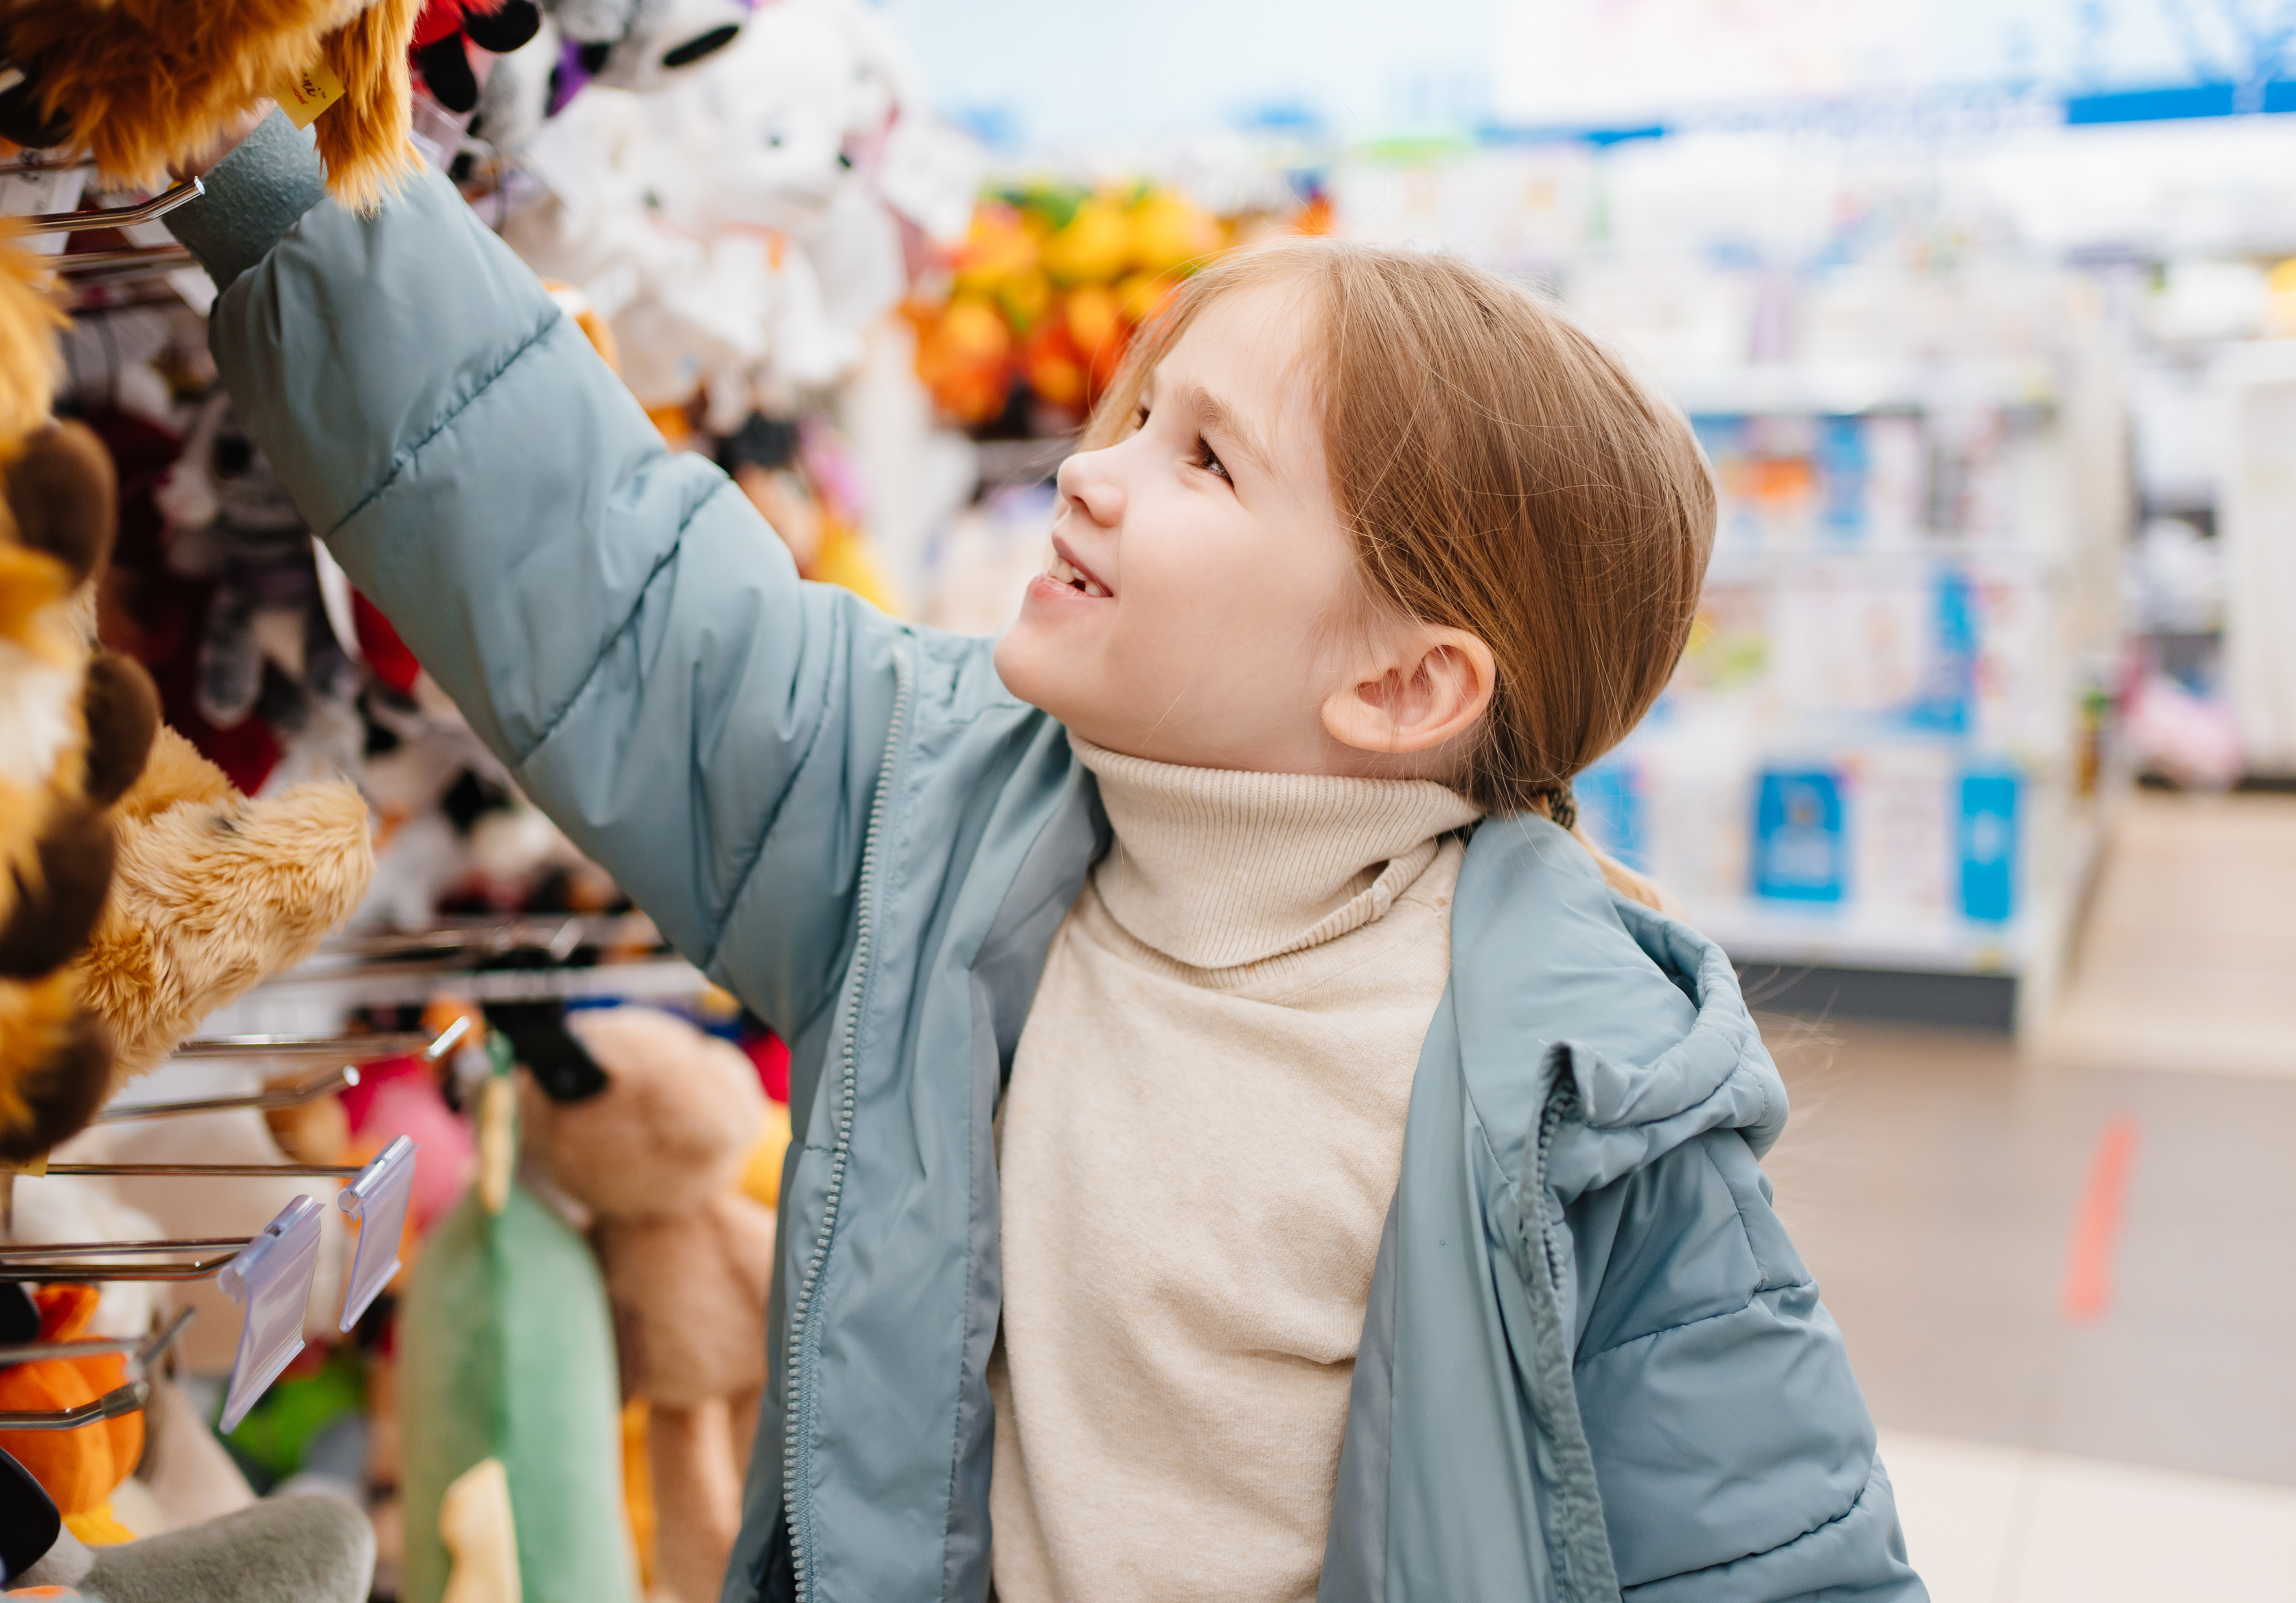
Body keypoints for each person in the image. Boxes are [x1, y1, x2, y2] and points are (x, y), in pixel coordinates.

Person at [164, 111, 1925, 1603]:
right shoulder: (922, 813)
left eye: (1204, 461)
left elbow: (1778, 1557)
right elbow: (615, 586)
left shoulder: (1593, 1122)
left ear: (1400, 685)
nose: (1093, 475)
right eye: (1135, 415)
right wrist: (268, 188)